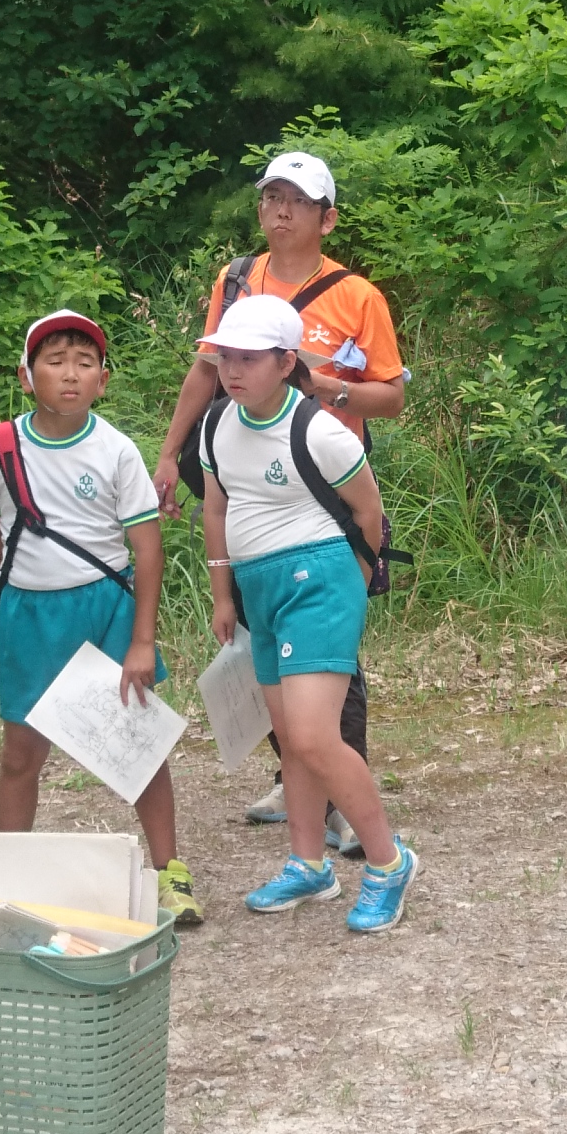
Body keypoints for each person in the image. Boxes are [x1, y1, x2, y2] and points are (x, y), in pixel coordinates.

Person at [155, 149, 404, 841]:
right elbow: (206, 370)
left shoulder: (359, 296)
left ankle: (343, 789)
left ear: (328, 217)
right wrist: (170, 452)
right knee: (261, 629)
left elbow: (392, 397)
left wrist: (325, 389)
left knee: (327, 643)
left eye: (297, 200)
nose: (281, 211)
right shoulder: (236, 279)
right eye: (271, 197)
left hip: (323, 481)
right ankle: (294, 771)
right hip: (243, 472)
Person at [192, 295, 421, 933]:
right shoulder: (216, 425)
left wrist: (348, 585)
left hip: (318, 582)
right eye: (224, 356)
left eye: (248, 358)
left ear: (286, 361)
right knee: (291, 737)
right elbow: (216, 508)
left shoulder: (319, 430)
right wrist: (222, 594)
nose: (231, 370)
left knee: (317, 736)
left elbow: (369, 513)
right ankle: (308, 862)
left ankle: (388, 861)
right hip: (257, 589)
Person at [0, 309, 200, 930]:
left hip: (106, 609)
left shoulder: (116, 449)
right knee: (21, 753)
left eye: (85, 362)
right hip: (29, 615)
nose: (70, 374)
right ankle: (11, 882)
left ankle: (170, 874)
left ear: (103, 379)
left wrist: (142, 641)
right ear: (26, 376)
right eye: (55, 361)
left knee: (138, 747)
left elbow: (147, 548)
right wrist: (27, 577)